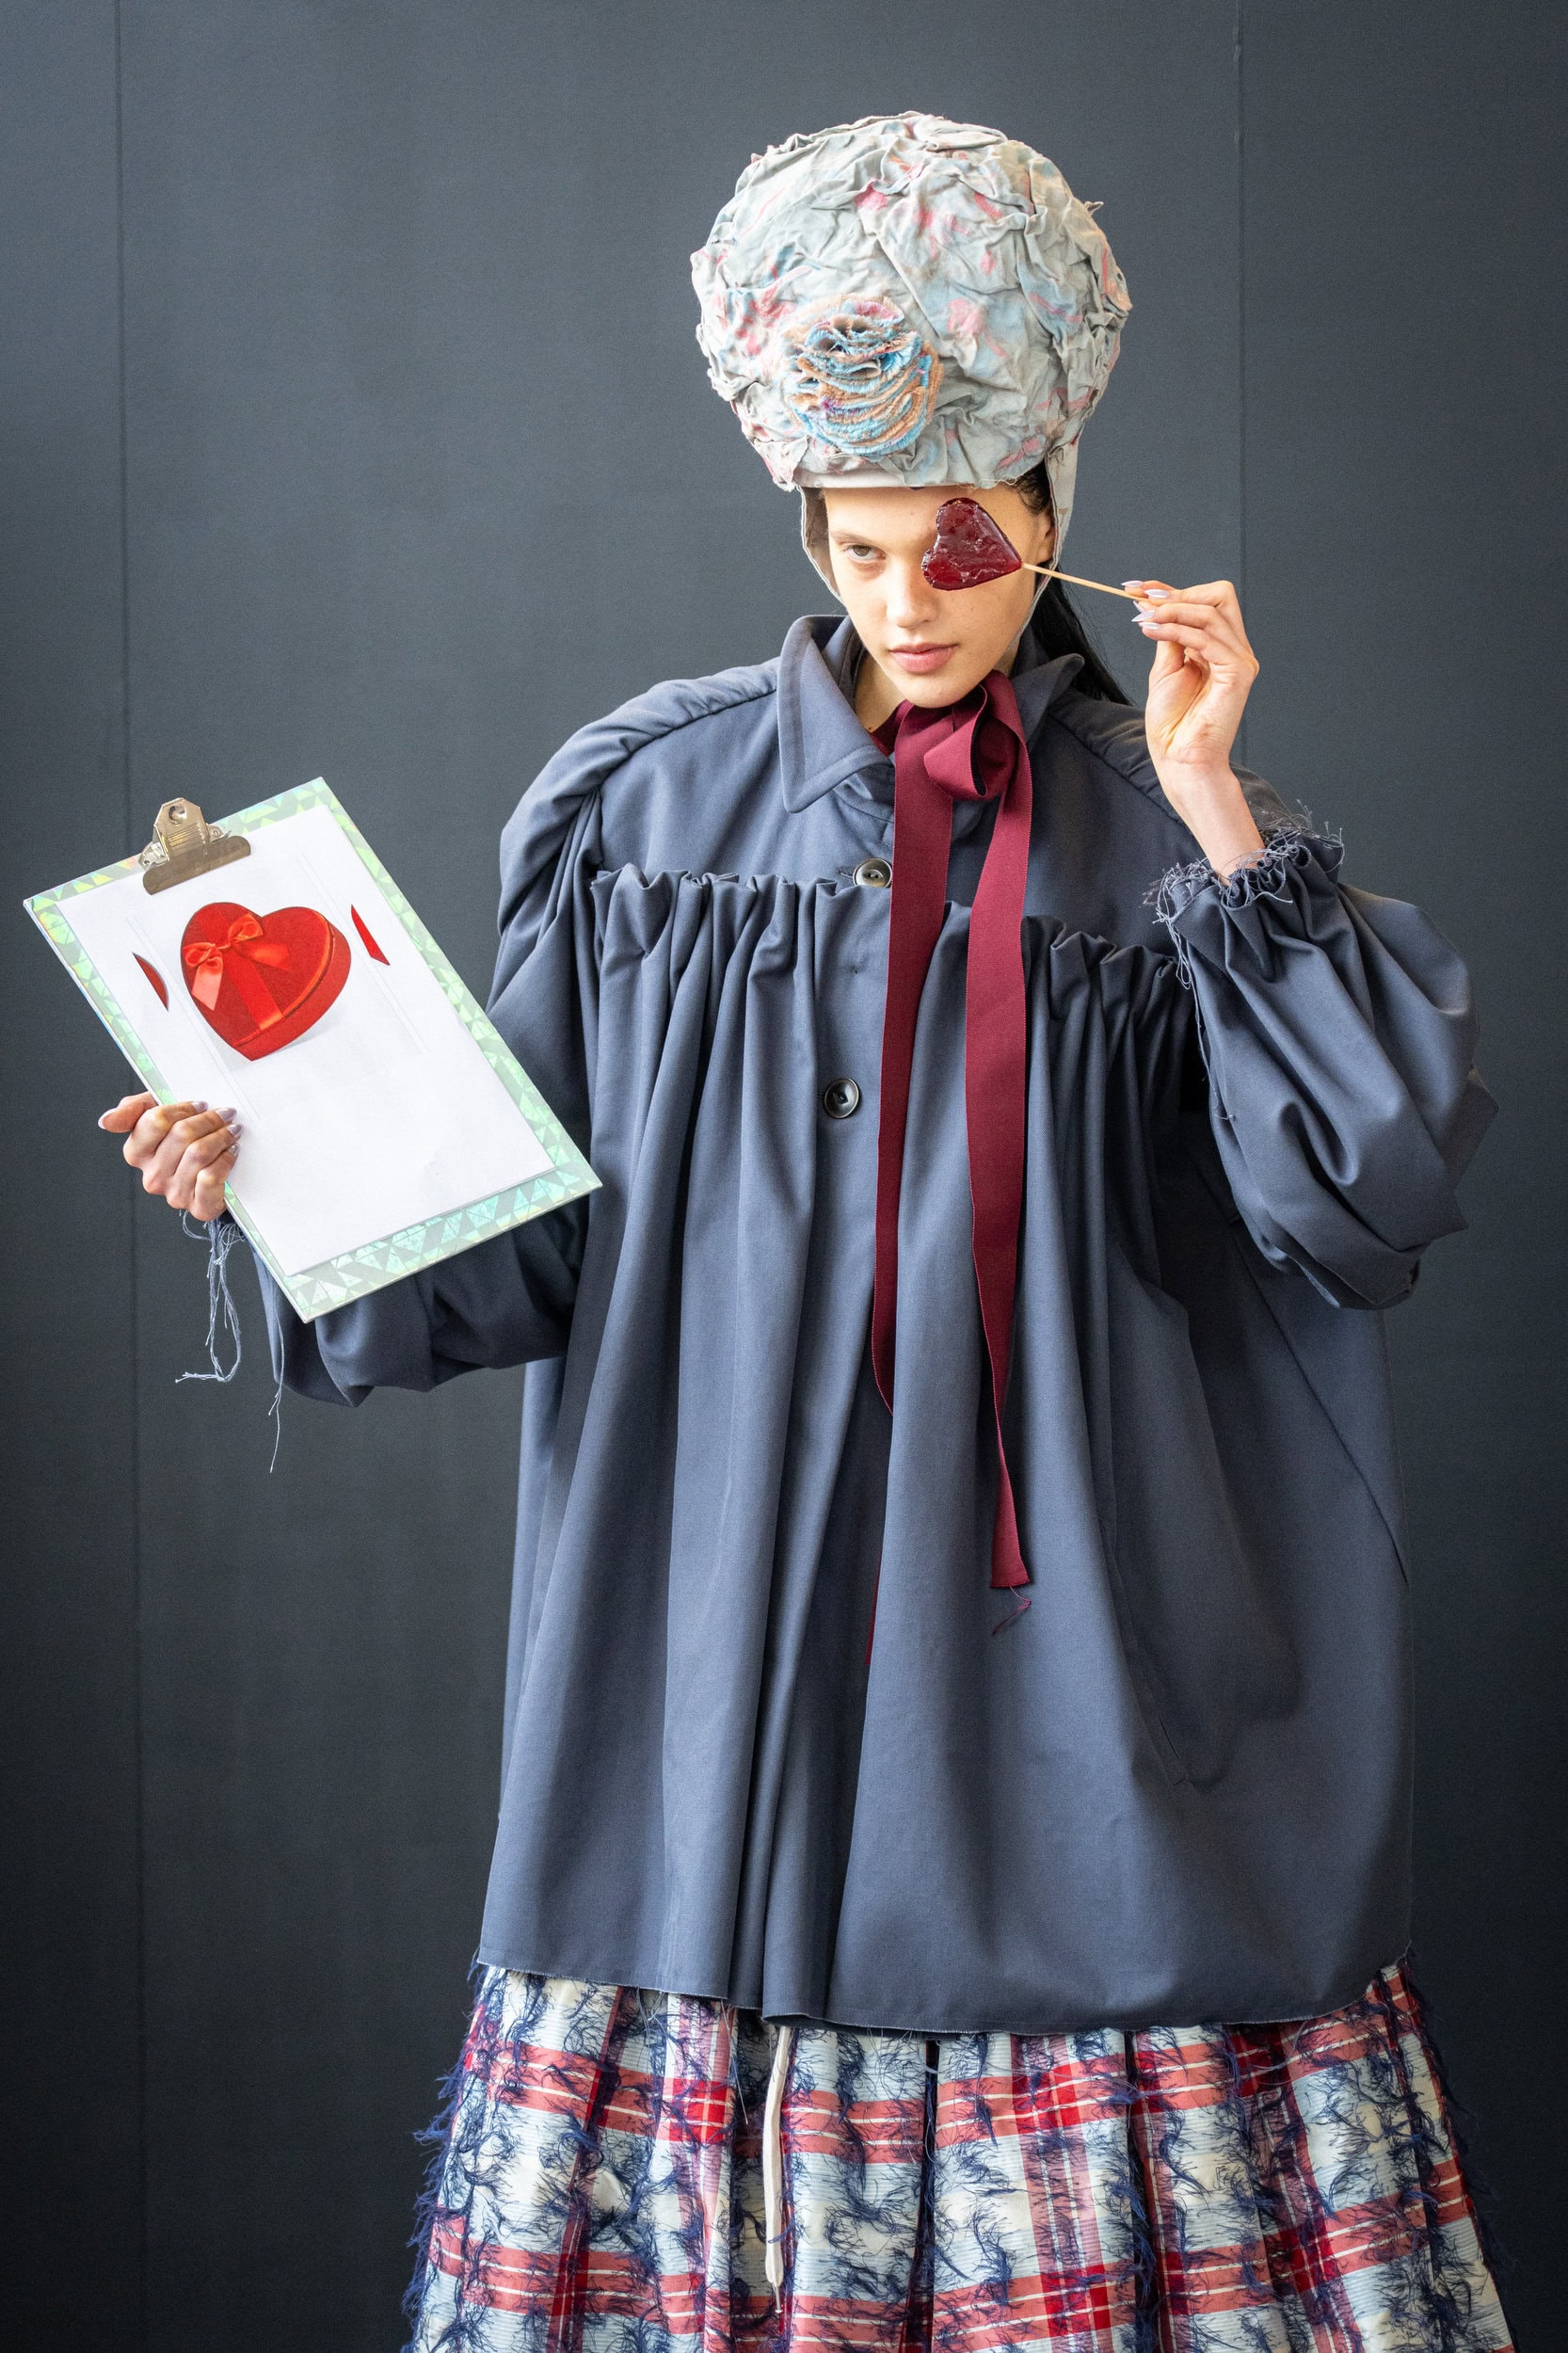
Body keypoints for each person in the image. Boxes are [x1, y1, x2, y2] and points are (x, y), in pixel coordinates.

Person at [100, 114, 1512, 2353]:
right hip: (709, 1687)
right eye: (853, 548)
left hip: (1094, 1706)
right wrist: (267, 1174)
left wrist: (1228, 798)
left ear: (1050, 517)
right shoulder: (641, 818)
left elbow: (1367, 1190)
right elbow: (511, 1247)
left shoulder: (1168, 839)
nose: (900, 599)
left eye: (949, 549)